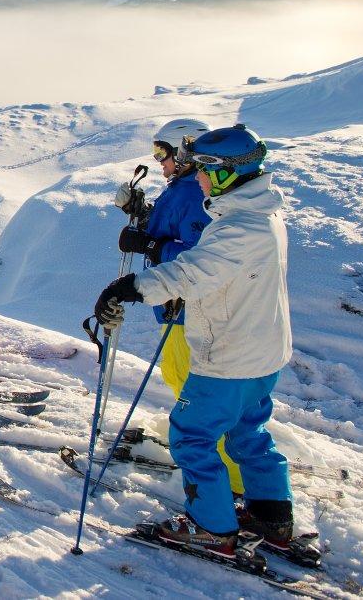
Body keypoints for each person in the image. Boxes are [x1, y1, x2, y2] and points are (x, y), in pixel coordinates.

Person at [93, 125, 308, 562]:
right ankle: (271, 516)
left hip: (230, 354)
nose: (200, 177)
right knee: (247, 432)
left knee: (191, 434)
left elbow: (190, 272)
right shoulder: (260, 214)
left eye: (206, 170)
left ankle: (211, 527)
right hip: (261, 352)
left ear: (227, 174)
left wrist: (128, 288)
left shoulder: (239, 229)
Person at [114, 119, 244, 496]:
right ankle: (213, 456)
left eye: (162, 153)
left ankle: (230, 477)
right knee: (177, 376)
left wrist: (149, 246)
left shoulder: (192, 194)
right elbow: (167, 227)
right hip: (177, 309)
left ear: (183, 152)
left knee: (197, 392)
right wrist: (142, 215)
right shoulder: (182, 189)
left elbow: (198, 256)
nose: (159, 161)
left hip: (191, 309)